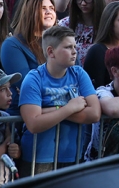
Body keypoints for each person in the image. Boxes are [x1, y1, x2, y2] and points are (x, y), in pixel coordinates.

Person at [18, 25, 101, 174]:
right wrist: (69, 108)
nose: (75, 51)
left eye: (74, 46)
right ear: (51, 52)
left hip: (73, 156)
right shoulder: (34, 78)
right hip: (39, 158)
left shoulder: (79, 73)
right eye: (68, 47)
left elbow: (94, 114)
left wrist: (50, 111)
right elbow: (34, 124)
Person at [0, 0, 58, 116]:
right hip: (25, 119)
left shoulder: (63, 43)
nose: (49, 12)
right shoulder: (12, 45)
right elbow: (29, 88)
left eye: (52, 8)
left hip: (63, 119)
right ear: (30, 12)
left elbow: (76, 83)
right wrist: (65, 100)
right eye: (43, 8)